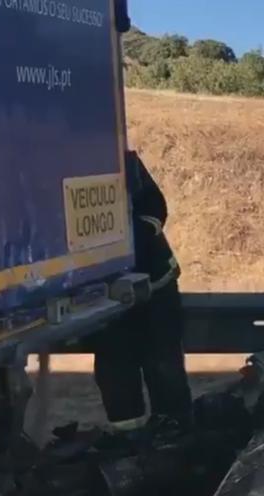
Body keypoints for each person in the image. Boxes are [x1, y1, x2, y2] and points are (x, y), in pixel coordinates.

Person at [92, 151, 193, 450]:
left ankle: (177, 438)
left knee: (164, 366)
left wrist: (131, 237)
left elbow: (154, 206)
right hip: (103, 296)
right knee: (115, 372)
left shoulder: (121, 158)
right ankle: (130, 443)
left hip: (155, 287)